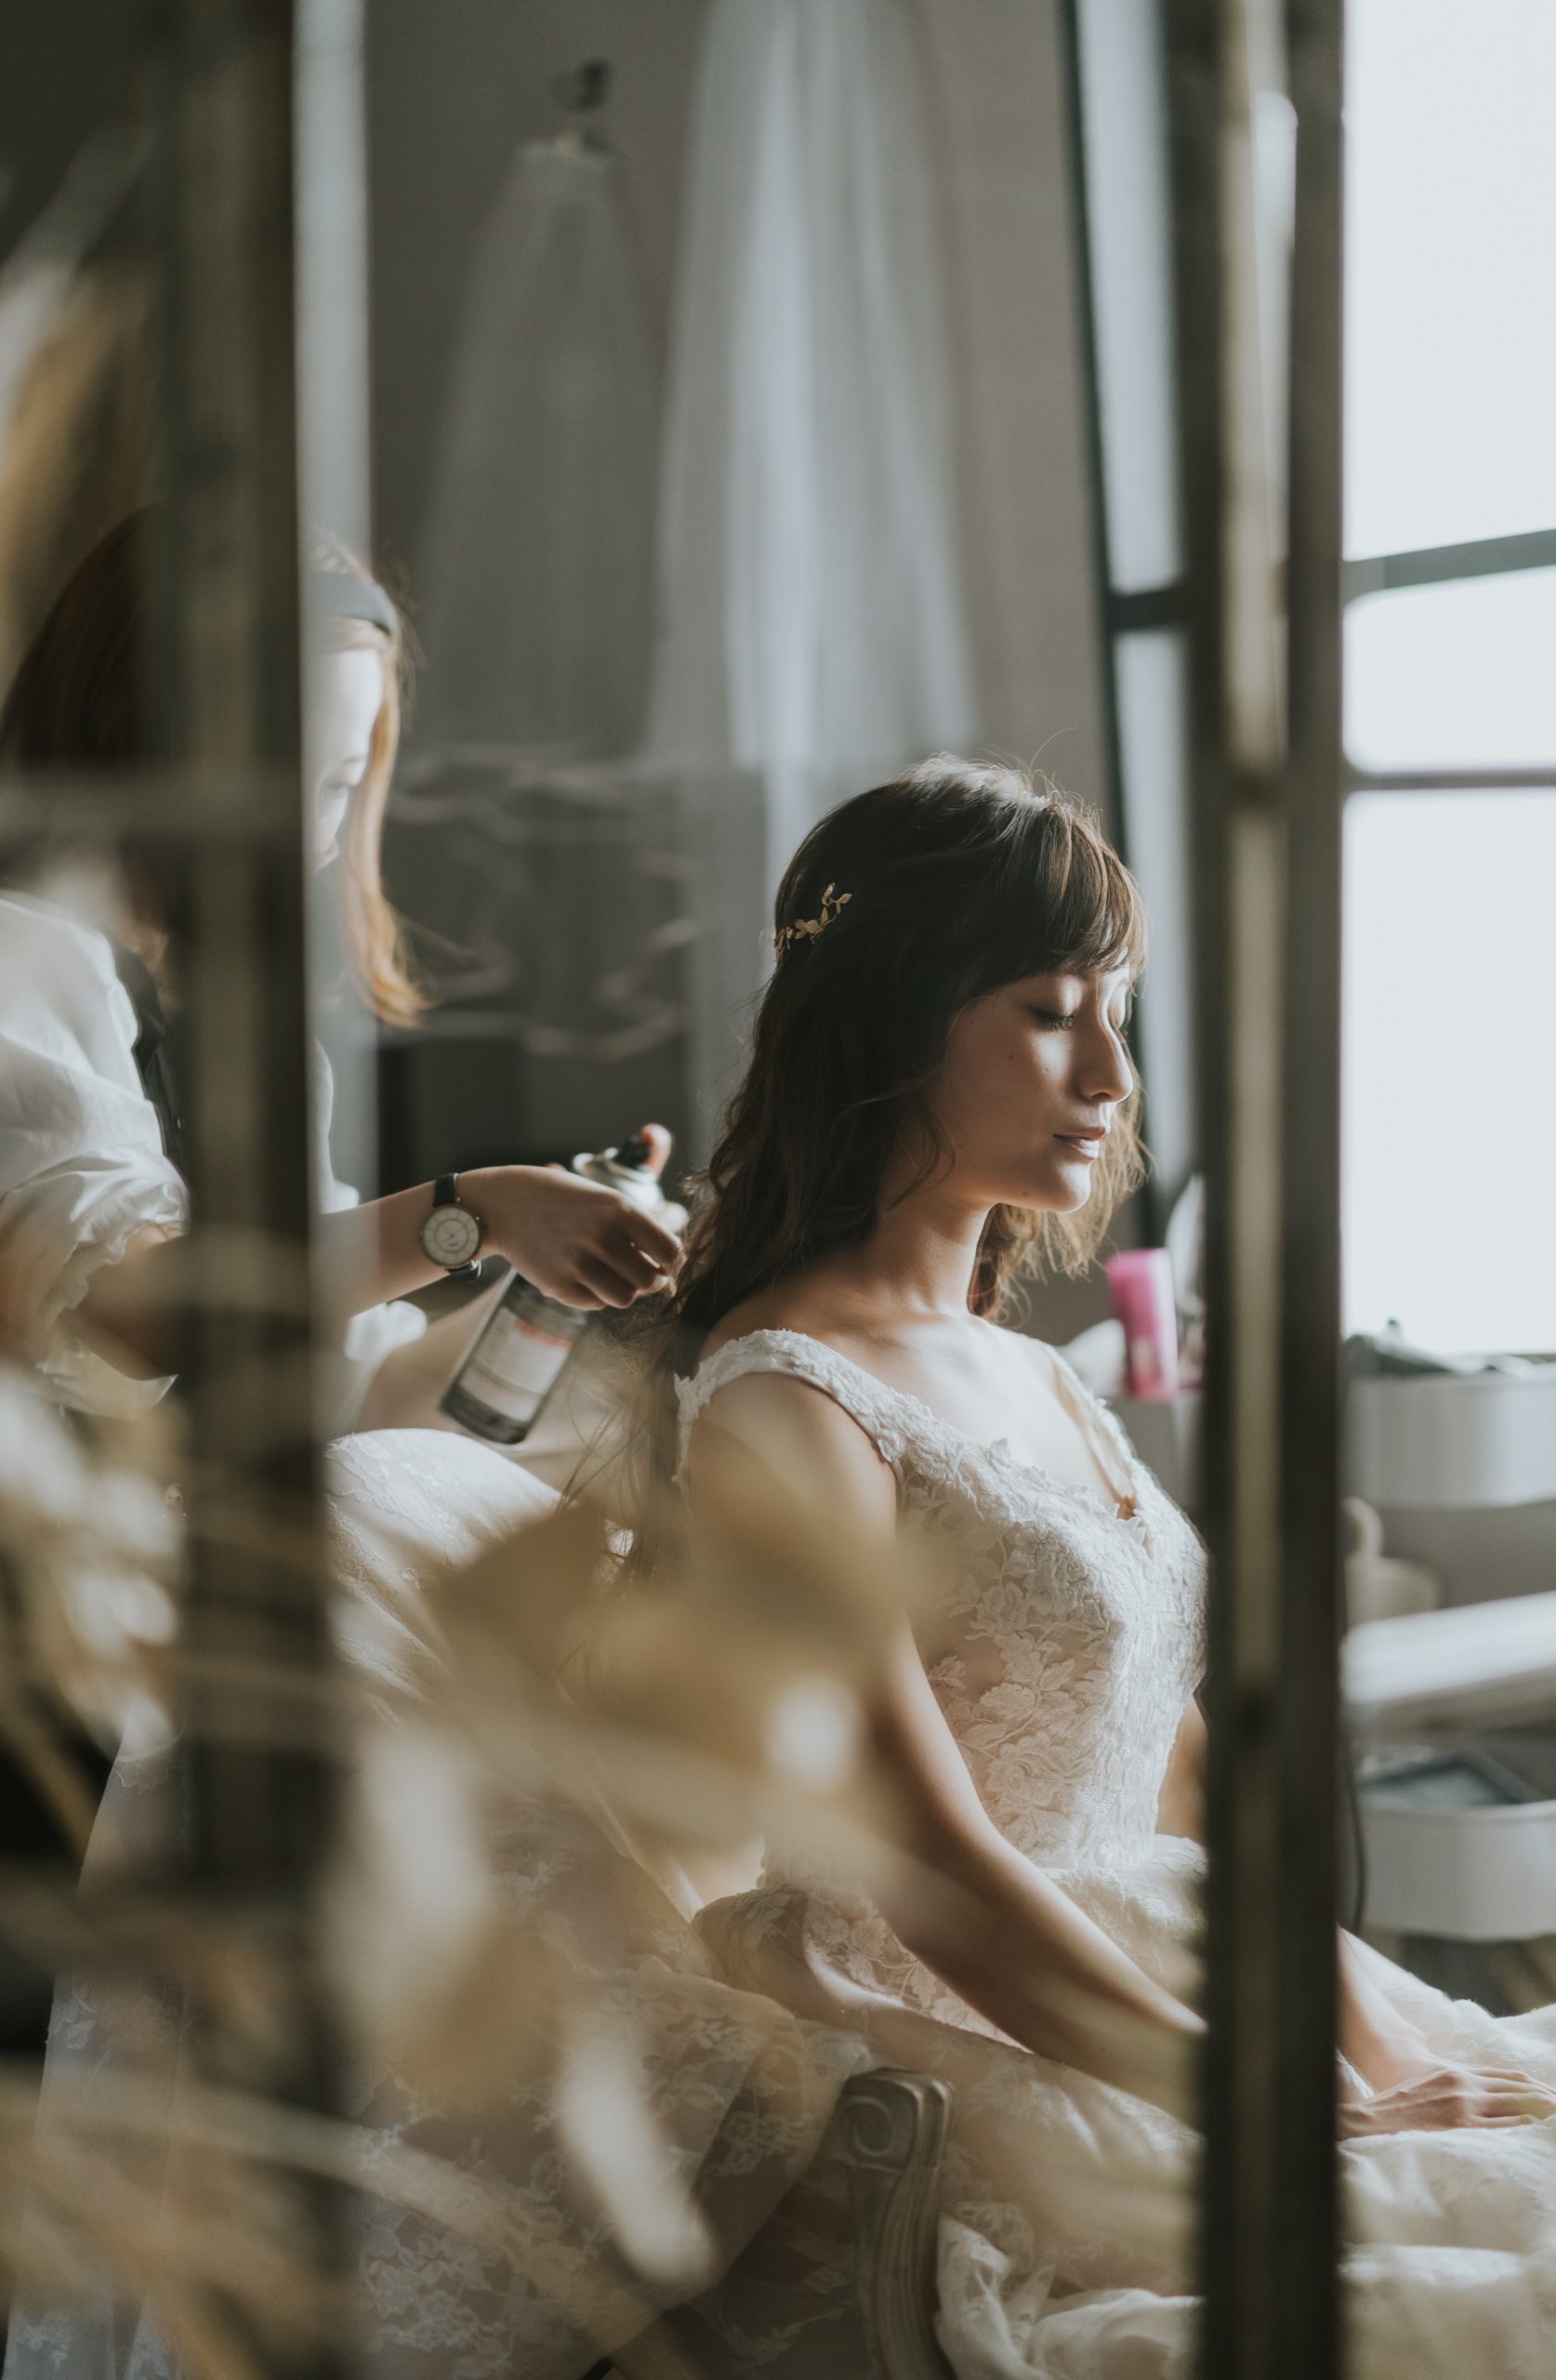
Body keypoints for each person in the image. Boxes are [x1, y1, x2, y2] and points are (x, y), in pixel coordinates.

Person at [647, 757, 1556, 2377]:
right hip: (983, 2016)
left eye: (1114, 1011)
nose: (1112, 1074)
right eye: (1054, 1010)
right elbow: (923, 1857)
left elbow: (1177, 1767)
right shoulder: (784, 1397)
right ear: (894, 1014)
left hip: (1185, 1961)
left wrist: (1352, 2032)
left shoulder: (1034, 1369)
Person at [0, 512, 681, 1448]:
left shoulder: (251, 1037)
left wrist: (558, 1270)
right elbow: (138, 1310)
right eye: (279, 774)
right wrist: (478, 1211)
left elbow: (373, 1394)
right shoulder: (6, 963)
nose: (311, 833)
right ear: (134, 736)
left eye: (340, 784)